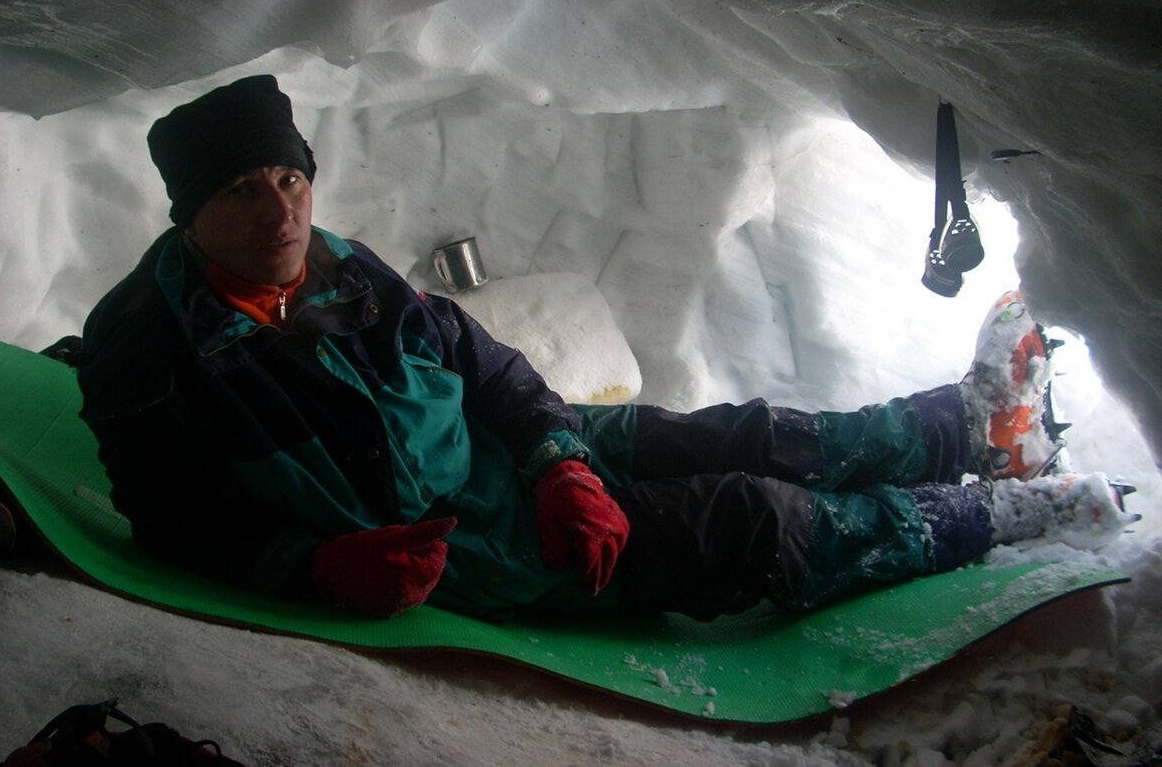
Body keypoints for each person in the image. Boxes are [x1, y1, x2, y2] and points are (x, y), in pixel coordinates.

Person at [74, 75, 1136, 622]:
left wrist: (553, 457)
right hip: (456, 546)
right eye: (243, 191)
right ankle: (980, 518)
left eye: (292, 178)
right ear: (189, 214)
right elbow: (173, 520)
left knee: (742, 432)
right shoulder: (149, 347)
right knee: (745, 520)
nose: (281, 211)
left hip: (513, 464)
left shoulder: (335, 263)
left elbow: (477, 360)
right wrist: (314, 568)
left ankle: (970, 428)